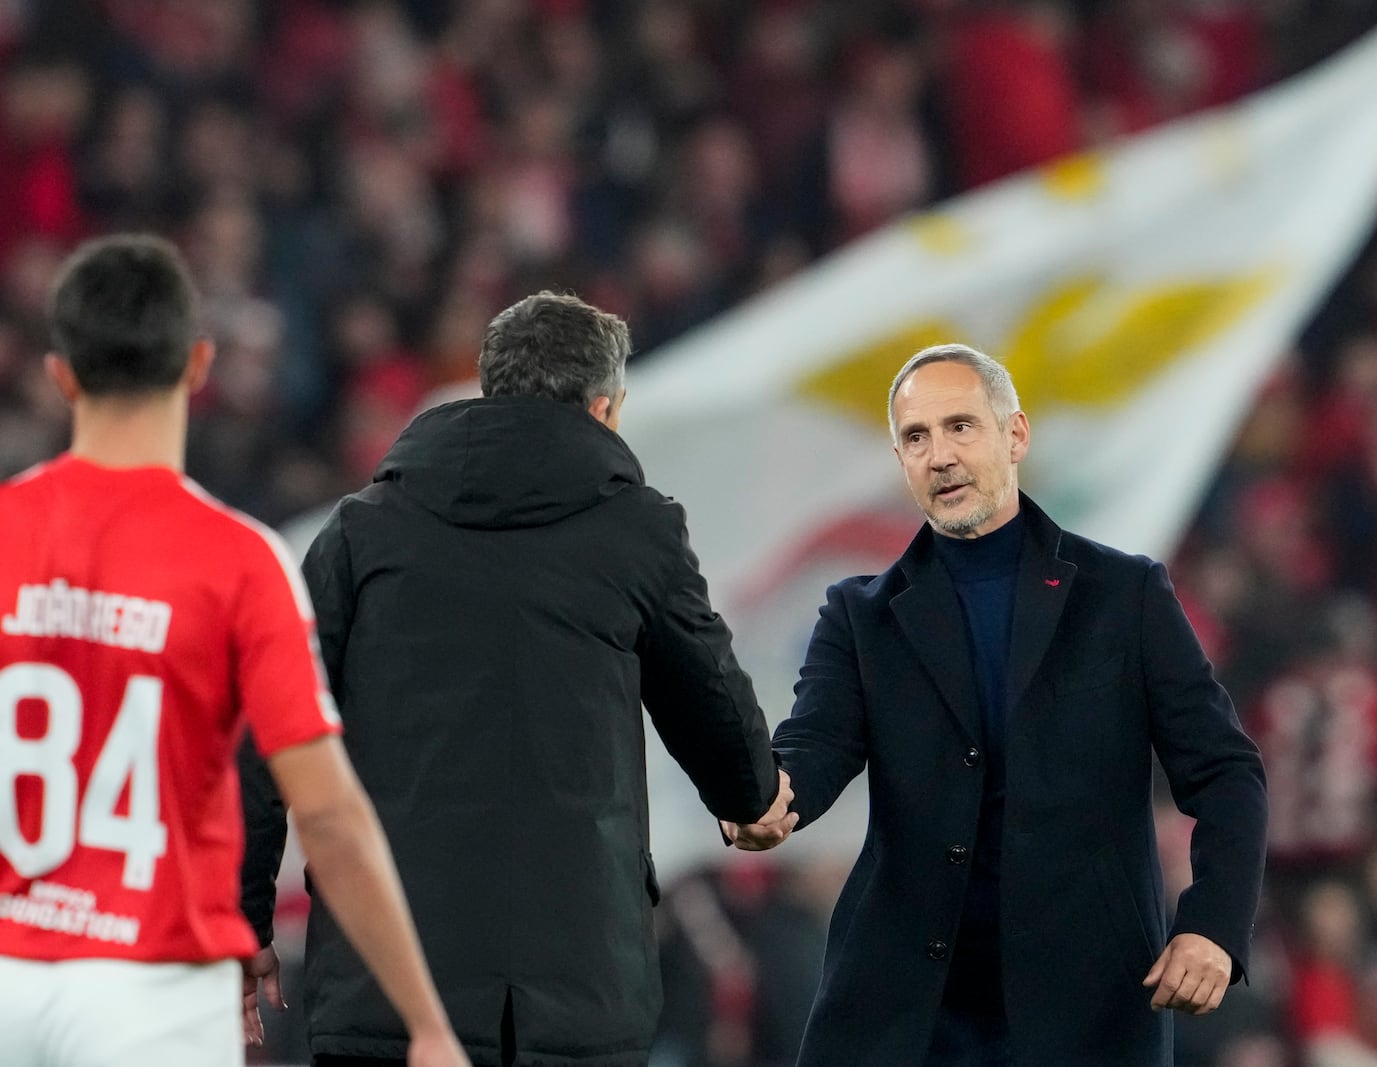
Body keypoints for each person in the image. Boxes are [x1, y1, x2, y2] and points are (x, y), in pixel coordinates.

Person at [241, 290, 788, 1066]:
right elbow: (713, 705)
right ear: (602, 407)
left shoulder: (361, 531)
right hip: (578, 997)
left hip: (386, 996)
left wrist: (244, 916)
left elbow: (266, 726)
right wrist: (753, 798)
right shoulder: (639, 531)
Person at [725, 344, 1268, 1065]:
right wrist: (768, 796)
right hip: (905, 1022)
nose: (939, 454)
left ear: (1014, 435)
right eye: (916, 437)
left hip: (1087, 1017)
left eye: (960, 426)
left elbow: (1228, 773)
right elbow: (813, 748)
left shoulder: (1124, 596)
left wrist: (1212, 925)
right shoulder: (859, 614)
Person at [0, 234, 468, 1067]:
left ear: (60, 373)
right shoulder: (240, 560)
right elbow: (326, 811)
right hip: (150, 984)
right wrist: (426, 1021)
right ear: (199, 364)